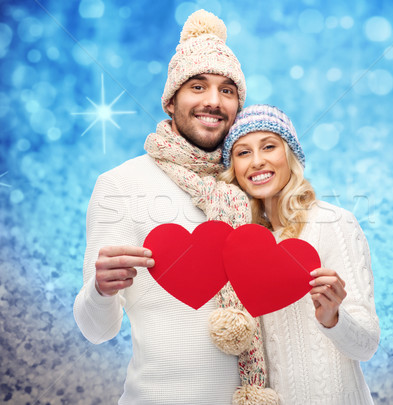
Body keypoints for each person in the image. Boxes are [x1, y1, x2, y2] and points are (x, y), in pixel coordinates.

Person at [73, 10, 277, 405]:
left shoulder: (252, 187)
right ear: (171, 101)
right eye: (197, 86)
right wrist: (99, 290)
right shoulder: (120, 186)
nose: (213, 101)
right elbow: (96, 330)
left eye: (227, 90)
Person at [219, 104, 381, 405]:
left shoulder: (333, 222)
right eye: (243, 152)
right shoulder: (242, 247)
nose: (257, 162)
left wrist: (333, 317)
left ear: (290, 155)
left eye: (269, 147)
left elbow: (368, 345)